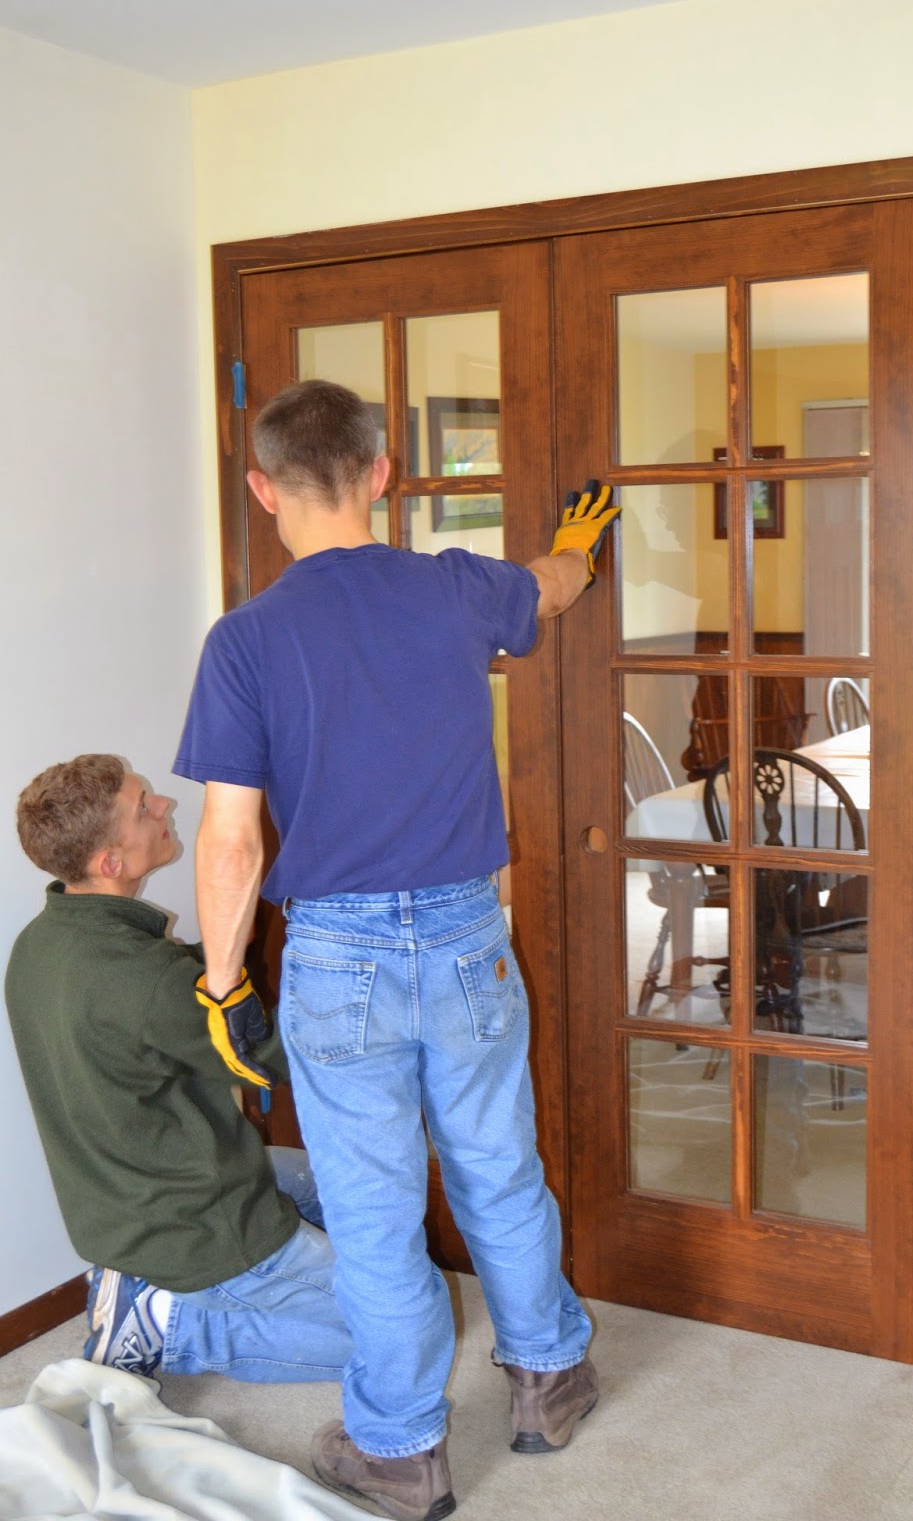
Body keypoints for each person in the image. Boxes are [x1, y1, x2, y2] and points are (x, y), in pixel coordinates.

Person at [173, 378, 620, 1521]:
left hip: (338, 957)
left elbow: (230, 839)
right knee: (498, 1165)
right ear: (381, 474)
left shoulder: (245, 639)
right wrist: (578, 549)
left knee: (372, 1212)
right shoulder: (458, 588)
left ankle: (402, 1449)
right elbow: (552, 586)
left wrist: (221, 984)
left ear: (262, 488)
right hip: (468, 935)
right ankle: (548, 1379)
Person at [5, 753, 354, 1387]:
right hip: (199, 1223)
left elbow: (154, 1010)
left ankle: (141, 1282)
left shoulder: (38, 945)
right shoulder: (145, 982)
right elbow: (273, 1064)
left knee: (325, 1182)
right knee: (414, 1326)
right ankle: (175, 1328)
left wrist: (228, 935)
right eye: (144, 807)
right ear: (111, 863)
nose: (164, 805)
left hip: (123, 1207)